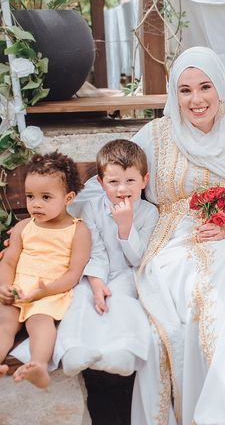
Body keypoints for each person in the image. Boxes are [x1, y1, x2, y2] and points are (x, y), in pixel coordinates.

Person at [73, 47, 225, 424]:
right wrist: (53, 220)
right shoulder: (157, 135)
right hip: (169, 247)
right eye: (185, 90)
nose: (196, 100)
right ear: (174, 96)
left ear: (221, 89)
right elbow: (110, 182)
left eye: (205, 87)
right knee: (220, 275)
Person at [53, 140, 158, 377]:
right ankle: (72, 348)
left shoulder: (149, 213)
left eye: (130, 180)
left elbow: (137, 259)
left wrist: (126, 227)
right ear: (101, 183)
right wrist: (97, 281)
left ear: (144, 179)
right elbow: (94, 248)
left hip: (127, 272)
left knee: (122, 299)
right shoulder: (91, 207)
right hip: (94, 271)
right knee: (80, 298)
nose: (122, 189)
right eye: (113, 182)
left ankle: (123, 350)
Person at [0, 152, 90, 388]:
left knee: (40, 322)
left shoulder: (78, 231)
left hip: (49, 291)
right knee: (4, 322)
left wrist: (45, 291)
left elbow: (73, 273)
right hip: (19, 288)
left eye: (46, 197)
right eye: (30, 196)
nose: (35, 203)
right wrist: (4, 286)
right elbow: (8, 261)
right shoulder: (23, 227)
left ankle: (38, 365)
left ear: (68, 198)